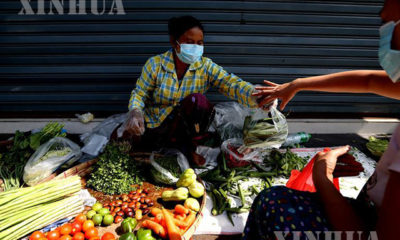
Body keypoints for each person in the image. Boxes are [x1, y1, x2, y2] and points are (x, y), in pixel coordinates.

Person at [243, 0, 400, 239]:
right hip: (370, 211)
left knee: (272, 203)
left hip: (369, 229)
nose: (383, 29)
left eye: (390, 23)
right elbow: (368, 80)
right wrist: (296, 85)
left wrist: (322, 177)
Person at [120, 16, 260, 165]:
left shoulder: (205, 66)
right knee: (123, 142)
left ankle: (189, 149)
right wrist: (135, 111)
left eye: (199, 43)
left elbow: (230, 83)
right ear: (175, 42)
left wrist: (256, 94)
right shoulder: (155, 64)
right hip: (157, 124)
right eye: (190, 42)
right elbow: (140, 93)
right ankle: (163, 146)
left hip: (186, 127)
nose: (195, 47)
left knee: (197, 101)